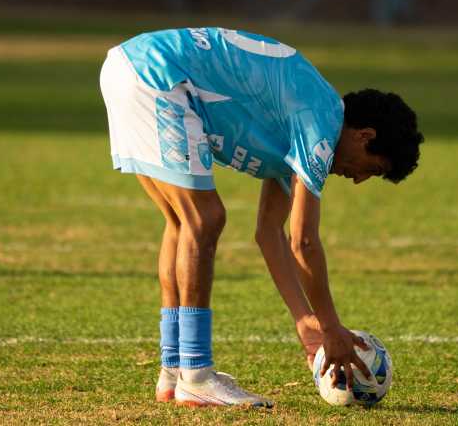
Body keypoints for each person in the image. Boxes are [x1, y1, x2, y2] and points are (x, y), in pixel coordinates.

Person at [99, 27, 423, 408]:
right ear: (364, 136)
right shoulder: (321, 126)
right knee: (205, 219)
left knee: (182, 222)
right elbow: (303, 242)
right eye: (373, 168)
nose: (359, 179)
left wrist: (305, 321)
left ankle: (173, 371)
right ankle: (196, 375)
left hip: (131, 66)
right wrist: (332, 326)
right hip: (158, 76)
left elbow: (270, 232)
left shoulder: (305, 121)